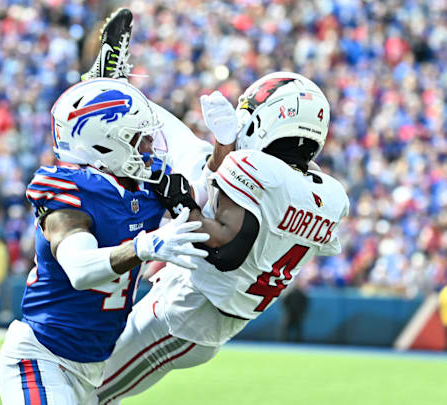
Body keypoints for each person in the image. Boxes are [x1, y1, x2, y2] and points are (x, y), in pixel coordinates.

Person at [83, 12, 350, 404]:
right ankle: (113, 88)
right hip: (210, 316)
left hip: (186, 310)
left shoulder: (261, 171)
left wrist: (181, 200)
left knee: (87, 392)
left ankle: (110, 93)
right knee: (190, 150)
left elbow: (225, 248)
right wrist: (219, 157)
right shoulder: (329, 194)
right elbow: (249, 210)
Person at [0, 11, 209, 404]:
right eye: (137, 139)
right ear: (106, 144)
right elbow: (79, 270)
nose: (148, 147)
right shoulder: (68, 192)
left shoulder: (146, 180)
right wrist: (144, 247)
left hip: (94, 368)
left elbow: (200, 217)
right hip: (42, 357)